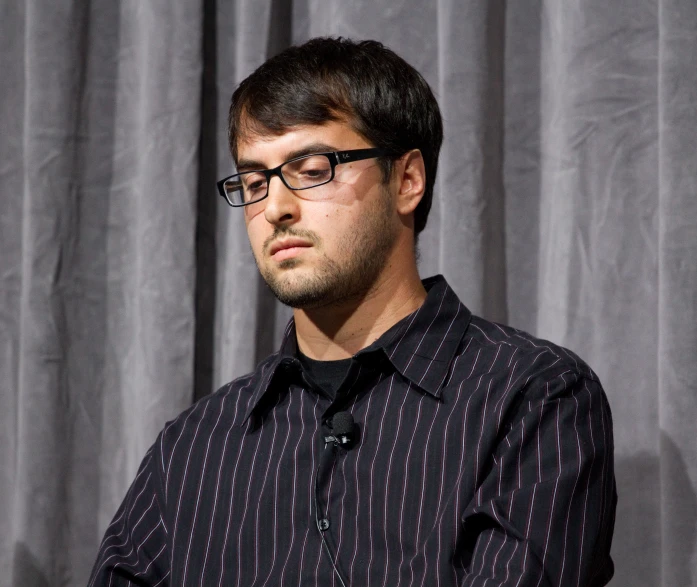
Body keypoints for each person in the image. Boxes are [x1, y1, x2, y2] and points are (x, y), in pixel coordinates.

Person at [88, 37, 616, 586]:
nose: (274, 208)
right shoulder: (197, 444)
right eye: (254, 181)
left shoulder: (532, 397)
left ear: (407, 180)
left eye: (313, 169)